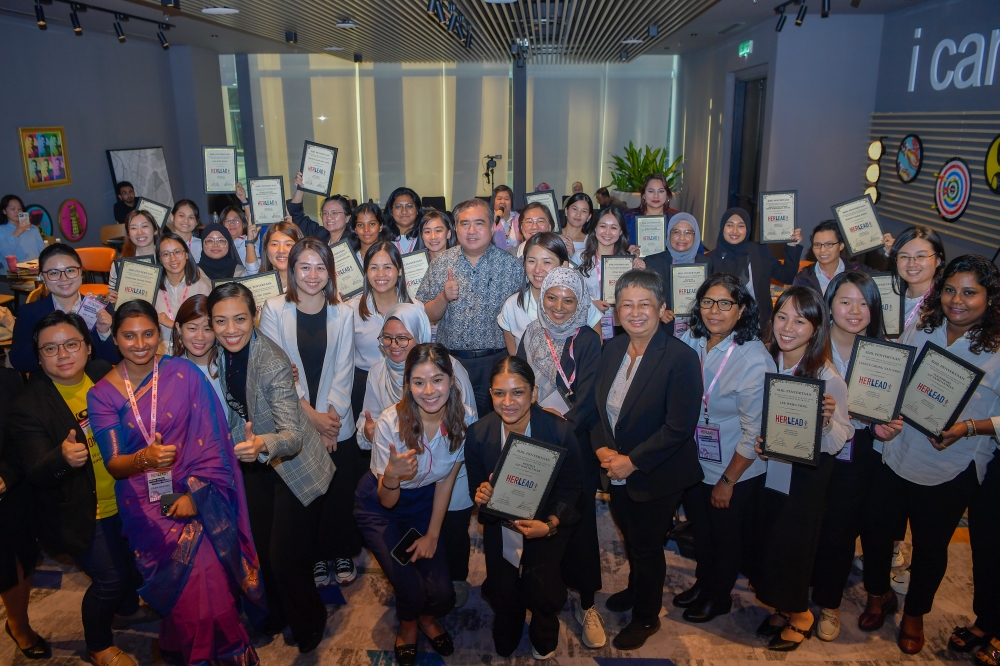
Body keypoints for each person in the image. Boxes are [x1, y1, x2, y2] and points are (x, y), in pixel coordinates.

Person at [87, 300, 266, 664]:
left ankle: (200, 651)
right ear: (116, 340)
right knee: (188, 592)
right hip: (145, 503)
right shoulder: (102, 394)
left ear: (161, 336)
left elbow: (213, 440)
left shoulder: (183, 373)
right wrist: (144, 459)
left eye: (148, 333)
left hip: (197, 491)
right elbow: (115, 464)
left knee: (210, 584)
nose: (140, 343)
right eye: (129, 335)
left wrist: (195, 494)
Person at [869, 255, 1000, 655]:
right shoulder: (924, 326)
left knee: (930, 545)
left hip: (952, 464)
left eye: (969, 292)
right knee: (878, 532)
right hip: (899, 449)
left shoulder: (997, 347)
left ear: (990, 298)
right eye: (948, 290)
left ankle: (914, 614)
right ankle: (878, 596)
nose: (956, 300)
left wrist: (969, 428)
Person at [13, 312, 150, 665]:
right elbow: (34, 472)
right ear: (39, 357)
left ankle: (129, 608)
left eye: (71, 344)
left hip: (128, 496)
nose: (63, 354)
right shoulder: (28, 405)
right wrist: (62, 458)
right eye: (50, 348)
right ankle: (98, 645)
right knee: (111, 580)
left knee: (134, 566)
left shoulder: (105, 373)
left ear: (88, 347)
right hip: (83, 510)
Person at [209, 282, 334, 653]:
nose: (230, 329)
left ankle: (310, 620)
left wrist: (263, 443)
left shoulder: (272, 361)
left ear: (255, 317)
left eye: (239, 319)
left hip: (292, 464)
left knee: (286, 558)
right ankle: (279, 612)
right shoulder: (221, 352)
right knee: (262, 551)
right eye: (220, 321)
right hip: (256, 465)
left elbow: (293, 435)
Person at [592, 269, 703, 649]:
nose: (635, 312)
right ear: (616, 310)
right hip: (615, 465)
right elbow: (598, 408)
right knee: (630, 534)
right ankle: (636, 588)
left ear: (662, 309)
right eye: (627, 304)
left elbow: (679, 427)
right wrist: (602, 449)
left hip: (659, 472)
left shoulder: (680, 358)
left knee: (647, 545)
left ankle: (646, 617)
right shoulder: (611, 349)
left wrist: (632, 461)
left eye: (645, 304)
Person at [354, 342, 474, 666]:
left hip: (423, 503)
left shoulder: (463, 421)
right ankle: (409, 626)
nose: (429, 391)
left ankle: (427, 618)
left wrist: (433, 534)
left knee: (443, 593)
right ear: (408, 384)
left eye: (437, 379)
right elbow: (386, 500)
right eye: (418, 382)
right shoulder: (390, 423)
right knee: (410, 588)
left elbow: (447, 478)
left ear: (451, 380)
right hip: (381, 508)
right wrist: (392, 476)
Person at [751, 286, 851, 651]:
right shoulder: (764, 360)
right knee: (770, 540)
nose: (788, 327)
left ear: (816, 328)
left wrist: (824, 423)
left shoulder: (828, 377)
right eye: (782, 317)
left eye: (800, 320)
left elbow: (841, 436)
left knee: (793, 545)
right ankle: (781, 606)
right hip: (767, 470)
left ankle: (801, 615)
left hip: (805, 479)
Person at [466, 357, 582, 659]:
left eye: (518, 392)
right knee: (503, 589)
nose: (508, 402)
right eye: (499, 393)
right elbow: (475, 490)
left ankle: (544, 622)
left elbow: (573, 489)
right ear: (490, 394)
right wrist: (482, 494)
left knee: (540, 588)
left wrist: (551, 525)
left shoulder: (560, 431)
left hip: (546, 522)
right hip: (500, 524)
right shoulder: (478, 434)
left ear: (533, 393)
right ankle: (509, 617)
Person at [673, 274, 773, 624]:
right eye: (707, 302)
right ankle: (704, 583)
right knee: (702, 531)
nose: (714, 311)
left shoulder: (753, 359)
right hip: (697, 460)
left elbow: (754, 431)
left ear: (741, 309)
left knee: (726, 538)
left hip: (736, 467)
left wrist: (728, 481)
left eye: (725, 303)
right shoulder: (693, 339)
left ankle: (719, 597)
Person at [258, 239, 358, 588]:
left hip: (335, 418)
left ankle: (341, 550)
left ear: (330, 272)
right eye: (305, 266)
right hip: (294, 419)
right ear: (292, 270)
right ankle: (316, 556)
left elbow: (345, 369)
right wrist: (311, 419)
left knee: (339, 490)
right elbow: (277, 372)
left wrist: (329, 422)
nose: (312, 275)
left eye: (320, 267)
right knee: (307, 494)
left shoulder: (343, 313)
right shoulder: (273, 309)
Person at [515, 267, 605, 648]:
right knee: (532, 520)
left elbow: (588, 399)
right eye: (552, 297)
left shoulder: (587, 339)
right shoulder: (531, 333)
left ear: (580, 302)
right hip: (532, 442)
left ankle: (586, 603)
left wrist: (560, 429)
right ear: (542, 296)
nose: (559, 307)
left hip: (573, 447)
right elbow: (518, 384)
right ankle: (538, 598)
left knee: (577, 525)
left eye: (569, 300)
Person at [810, 272, 903, 641]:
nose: (854, 310)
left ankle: (854, 600)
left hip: (864, 450)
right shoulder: (814, 346)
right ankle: (821, 594)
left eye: (864, 303)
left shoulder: (886, 352)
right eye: (845, 301)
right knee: (826, 526)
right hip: (819, 448)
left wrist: (888, 426)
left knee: (859, 529)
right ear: (830, 304)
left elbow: (895, 410)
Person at [417, 198, 524, 416]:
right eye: (464, 224)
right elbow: (425, 314)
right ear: (455, 228)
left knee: (493, 427)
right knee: (453, 425)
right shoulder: (441, 264)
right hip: (451, 363)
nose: (471, 231)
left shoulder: (511, 266)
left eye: (479, 223)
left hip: (496, 362)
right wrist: (444, 297)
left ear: (492, 227)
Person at [0, 366, 49, 661]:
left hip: (7, 492)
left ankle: (18, 625)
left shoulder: (8, 380)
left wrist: (6, 475)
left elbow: (23, 438)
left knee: (12, 564)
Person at [10, 243, 118, 373]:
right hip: (50, 386)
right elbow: (20, 363)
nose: (64, 278)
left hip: (94, 383)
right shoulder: (29, 313)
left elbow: (114, 358)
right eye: (54, 273)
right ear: (43, 277)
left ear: (81, 272)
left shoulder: (101, 309)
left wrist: (104, 333)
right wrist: (45, 338)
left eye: (70, 270)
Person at [348, 241, 422, 422]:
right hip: (363, 386)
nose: (380, 274)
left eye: (387, 267)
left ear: (400, 270)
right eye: (374, 267)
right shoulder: (350, 310)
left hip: (406, 385)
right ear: (365, 271)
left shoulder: (416, 308)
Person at [498, 232, 601, 354]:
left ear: (564, 265)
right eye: (531, 261)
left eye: (546, 262)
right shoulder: (512, 305)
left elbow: (596, 349)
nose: (537, 269)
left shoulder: (580, 302)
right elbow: (514, 359)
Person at [706, 207, 803, 327]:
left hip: (759, 324)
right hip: (723, 325)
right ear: (722, 228)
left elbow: (787, 276)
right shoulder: (710, 259)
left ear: (747, 229)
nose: (735, 230)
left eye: (741, 226)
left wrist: (792, 245)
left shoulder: (760, 251)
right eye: (730, 225)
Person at [578, 207, 639, 340]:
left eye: (613, 227)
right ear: (595, 228)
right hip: (588, 324)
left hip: (620, 325)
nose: (607, 232)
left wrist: (640, 272)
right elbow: (571, 293)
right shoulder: (579, 259)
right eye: (603, 226)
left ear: (621, 231)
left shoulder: (628, 260)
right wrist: (591, 303)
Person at [644, 212, 709, 336]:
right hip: (663, 332)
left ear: (696, 236)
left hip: (697, 332)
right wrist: (658, 312)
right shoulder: (653, 262)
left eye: (688, 232)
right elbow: (644, 297)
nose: (681, 237)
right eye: (676, 232)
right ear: (669, 234)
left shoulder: (706, 263)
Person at [155, 232, 213, 352]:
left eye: (177, 252)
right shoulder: (153, 288)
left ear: (186, 254)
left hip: (193, 351)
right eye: (166, 254)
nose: (173, 259)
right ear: (160, 259)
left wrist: (171, 323)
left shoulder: (202, 287)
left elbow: (207, 327)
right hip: (160, 353)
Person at [883, 226, 945, 329]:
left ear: (938, 260)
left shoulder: (944, 305)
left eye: (921, 256)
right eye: (904, 256)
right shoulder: (889, 295)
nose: (912, 264)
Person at [171, 295, 225, 408]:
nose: (200, 337)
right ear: (179, 328)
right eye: (192, 328)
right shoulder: (170, 371)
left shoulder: (228, 366)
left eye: (208, 329)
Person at [792, 220, 872, 295]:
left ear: (841, 245)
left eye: (829, 244)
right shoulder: (803, 278)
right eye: (817, 245)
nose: (822, 250)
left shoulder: (860, 272)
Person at [288, 172, 351, 246]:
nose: (329, 217)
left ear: (347, 218)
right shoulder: (320, 235)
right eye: (325, 213)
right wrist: (300, 189)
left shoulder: (355, 241)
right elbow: (296, 215)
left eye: (334, 213)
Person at [622, 174, 679, 253]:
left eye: (661, 191)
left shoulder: (678, 220)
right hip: (634, 264)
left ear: (667, 196)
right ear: (644, 195)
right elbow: (614, 247)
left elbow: (697, 249)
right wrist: (626, 253)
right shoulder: (628, 218)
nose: (656, 196)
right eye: (651, 191)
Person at [0, 194, 45, 271]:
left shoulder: (33, 228)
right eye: (12, 209)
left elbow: (42, 250)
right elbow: (4, 253)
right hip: (17, 273)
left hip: (37, 269)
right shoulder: (2, 230)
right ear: (4, 211)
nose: (17, 211)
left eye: (19, 208)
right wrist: (18, 231)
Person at [260, 220, 304, 291]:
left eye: (288, 244)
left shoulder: (309, 287)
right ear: (266, 248)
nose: (281, 250)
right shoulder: (257, 288)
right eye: (274, 244)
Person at [218, 204, 261, 273]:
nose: (232, 224)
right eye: (228, 221)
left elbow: (255, 271)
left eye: (236, 220)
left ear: (243, 223)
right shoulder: (217, 245)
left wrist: (245, 202)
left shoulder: (251, 240)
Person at [384, 187, 422, 254]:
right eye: (398, 206)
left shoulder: (426, 237)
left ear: (417, 210)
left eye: (409, 206)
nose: (404, 211)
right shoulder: (382, 239)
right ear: (391, 211)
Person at [562, 193, 594, 259]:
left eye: (584, 211)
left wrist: (573, 255)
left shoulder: (590, 242)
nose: (578, 214)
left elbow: (590, 268)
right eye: (574, 209)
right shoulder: (553, 236)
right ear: (566, 210)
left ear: (589, 216)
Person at [490, 184, 520, 249]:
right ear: (494, 201)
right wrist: (494, 219)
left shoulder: (519, 218)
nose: (503, 202)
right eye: (499, 198)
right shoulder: (488, 219)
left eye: (506, 199)